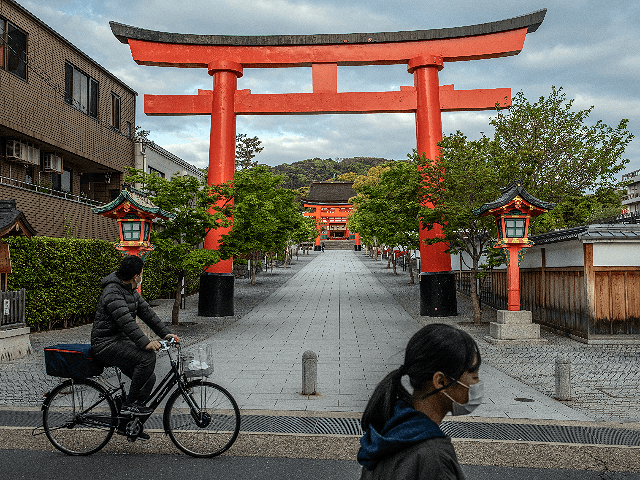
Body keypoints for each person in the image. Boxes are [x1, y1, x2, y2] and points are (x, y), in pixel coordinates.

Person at [357, 323, 482, 480]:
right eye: (474, 377)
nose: (476, 385)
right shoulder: (434, 457)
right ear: (441, 381)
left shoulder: (388, 432)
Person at [91, 255, 179, 431]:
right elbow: (126, 321)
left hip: (120, 341)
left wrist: (166, 334)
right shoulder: (113, 292)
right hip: (105, 343)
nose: (142, 276)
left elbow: (148, 313)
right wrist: (145, 343)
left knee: (149, 378)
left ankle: (127, 423)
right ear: (135, 276)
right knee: (146, 358)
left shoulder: (129, 290)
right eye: (141, 273)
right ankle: (129, 404)